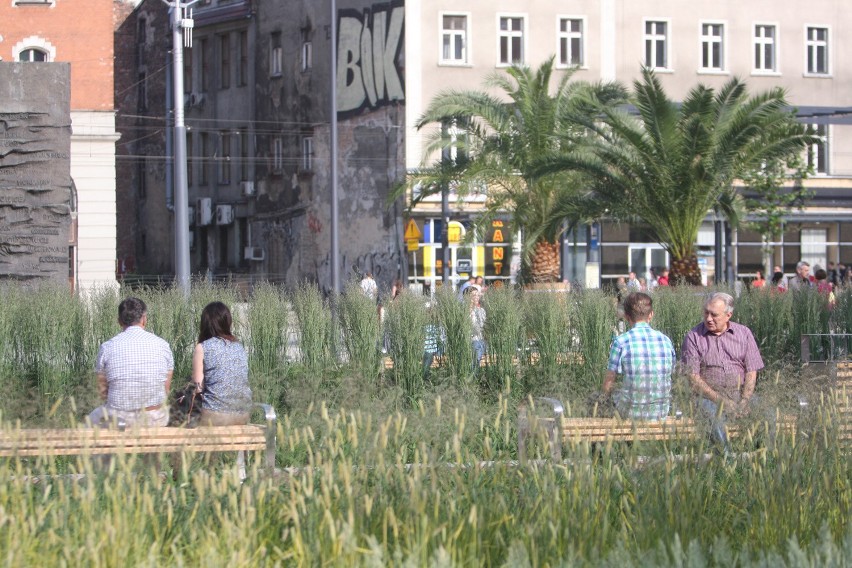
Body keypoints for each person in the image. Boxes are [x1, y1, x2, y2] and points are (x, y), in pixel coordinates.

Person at [681, 292, 764, 447]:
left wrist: (745, 400)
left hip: (740, 395)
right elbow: (693, 377)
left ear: (728, 315)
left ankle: (764, 456)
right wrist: (722, 402)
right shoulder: (693, 337)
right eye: (706, 312)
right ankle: (726, 461)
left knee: (767, 414)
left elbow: (752, 371)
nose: (708, 318)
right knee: (714, 418)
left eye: (714, 315)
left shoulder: (744, 333)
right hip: (708, 398)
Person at [88, 297, 174, 428]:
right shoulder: (163, 346)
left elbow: (103, 392)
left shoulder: (107, 347)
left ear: (119, 321)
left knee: (90, 422)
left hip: (119, 418)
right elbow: (165, 390)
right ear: (144, 319)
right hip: (154, 418)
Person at [603, 292, 675, 420]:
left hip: (631, 415)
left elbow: (608, 384)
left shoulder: (621, 342)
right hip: (660, 414)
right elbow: (671, 375)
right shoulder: (666, 341)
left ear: (626, 317)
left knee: (617, 395)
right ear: (651, 315)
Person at [192, 301, 253, 426]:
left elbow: (197, 387)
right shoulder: (239, 346)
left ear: (205, 323)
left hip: (215, 416)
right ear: (227, 322)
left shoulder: (202, 347)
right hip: (243, 414)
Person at [466, 285, 486, 371]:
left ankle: (474, 383)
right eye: (474, 295)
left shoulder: (481, 310)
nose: (477, 297)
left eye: (478, 295)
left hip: (481, 340)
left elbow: (483, 325)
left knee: (476, 365)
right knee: (471, 366)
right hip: (470, 341)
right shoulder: (463, 311)